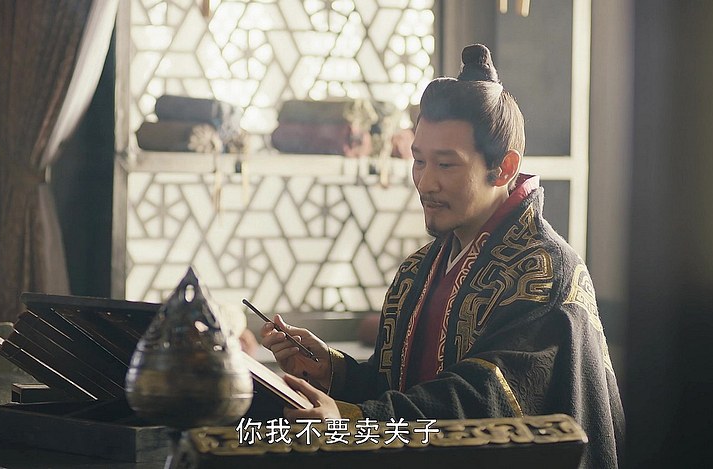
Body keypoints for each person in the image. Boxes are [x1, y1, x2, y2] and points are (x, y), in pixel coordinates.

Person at [260, 44, 624, 468]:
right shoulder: (420, 268)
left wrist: (352, 420)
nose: (425, 182)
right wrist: (331, 369)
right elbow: (396, 387)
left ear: (504, 167)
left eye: (446, 165)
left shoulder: (542, 270)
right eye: (419, 161)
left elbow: (484, 401)